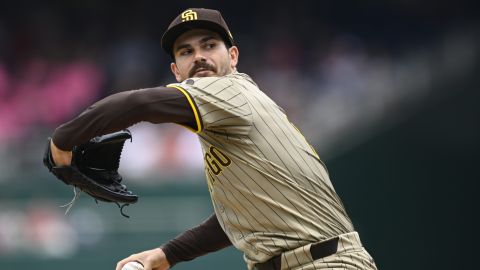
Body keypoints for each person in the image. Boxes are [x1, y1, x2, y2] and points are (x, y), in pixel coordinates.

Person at [49, 8, 377, 270]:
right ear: (176, 71)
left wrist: (61, 142)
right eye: (186, 51)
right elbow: (238, 219)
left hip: (326, 263)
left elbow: (138, 104)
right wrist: (167, 255)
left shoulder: (229, 90)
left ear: (232, 56)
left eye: (209, 45)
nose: (199, 57)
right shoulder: (222, 125)